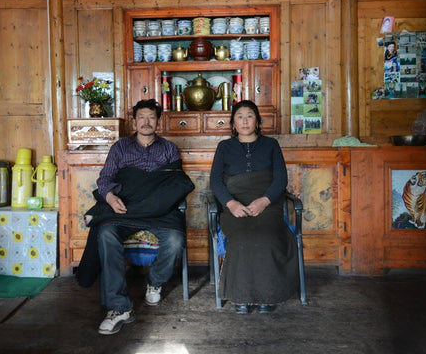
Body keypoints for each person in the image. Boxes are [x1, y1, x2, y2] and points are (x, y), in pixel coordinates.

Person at [76, 99, 194, 335]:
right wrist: (109, 197)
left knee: (175, 240)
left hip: (159, 211)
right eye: (142, 117)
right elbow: (105, 179)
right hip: (125, 209)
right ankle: (119, 307)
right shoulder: (120, 148)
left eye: (151, 117)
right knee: (105, 232)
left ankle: (155, 282)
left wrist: (157, 203)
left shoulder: (169, 149)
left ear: (158, 121)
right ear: (135, 121)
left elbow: (175, 183)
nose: (146, 122)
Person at [209, 100, 299, 314]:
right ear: (233, 123)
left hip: (267, 205)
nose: (245, 121)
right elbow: (215, 181)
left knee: (266, 237)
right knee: (242, 239)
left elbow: (280, 179)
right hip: (235, 206)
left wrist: (265, 201)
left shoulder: (271, 145)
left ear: (257, 121)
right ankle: (241, 296)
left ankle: (267, 296)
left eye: (250, 116)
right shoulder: (224, 147)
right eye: (239, 116)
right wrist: (231, 204)